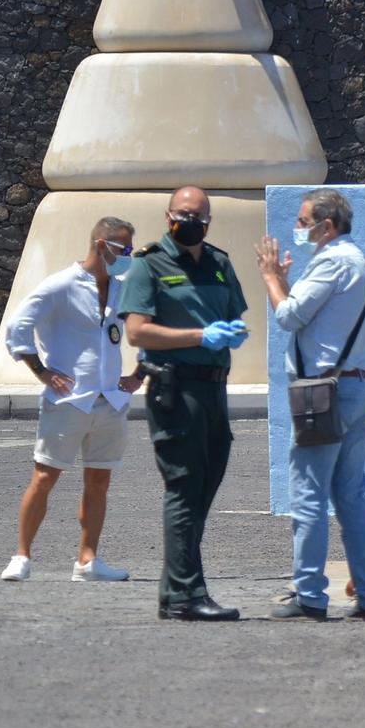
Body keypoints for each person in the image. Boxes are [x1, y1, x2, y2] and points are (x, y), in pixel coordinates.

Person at [254, 188, 365, 622]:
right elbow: (320, 319)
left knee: (308, 493)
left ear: (326, 226)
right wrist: (289, 288)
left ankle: (310, 594)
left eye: (304, 220)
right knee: (352, 496)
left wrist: (272, 279)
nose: (299, 228)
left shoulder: (331, 261)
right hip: (357, 388)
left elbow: (289, 317)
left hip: (323, 393)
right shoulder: (364, 263)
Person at [122, 185, 251, 622]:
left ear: (209, 219)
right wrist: (200, 336)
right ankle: (185, 595)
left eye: (197, 215)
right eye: (182, 213)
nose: (189, 221)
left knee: (203, 488)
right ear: (168, 215)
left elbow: (234, 312)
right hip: (175, 389)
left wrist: (231, 332)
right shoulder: (148, 265)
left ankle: (173, 592)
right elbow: (138, 332)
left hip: (215, 387)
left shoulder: (218, 262)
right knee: (183, 489)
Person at [0, 216, 145, 583]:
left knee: (99, 482)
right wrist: (42, 371)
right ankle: (21, 556)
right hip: (68, 401)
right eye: (123, 249)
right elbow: (18, 325)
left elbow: (145, 326)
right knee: (45, 475)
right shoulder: (61, 284)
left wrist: (139, 374)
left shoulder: (120, 288)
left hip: (110, 401)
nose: (127, 255)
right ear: (101, 245)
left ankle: (88, 559)